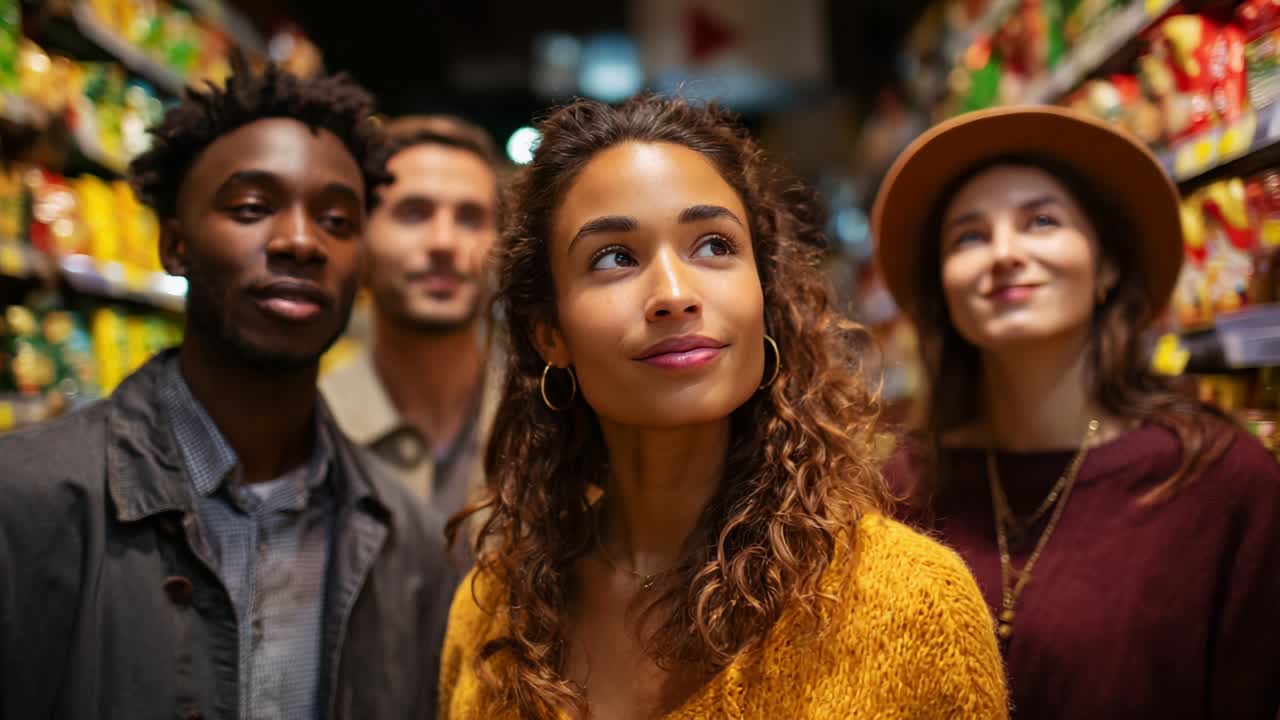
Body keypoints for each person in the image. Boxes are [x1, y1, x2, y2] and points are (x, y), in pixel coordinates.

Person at [439, 94, 1008, 719]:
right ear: (550, 332)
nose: (675, 295)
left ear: (763, 295)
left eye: (713, 246)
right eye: (614, 257)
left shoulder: (911, 605)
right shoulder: (492, 610)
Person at [0, 59, 455, 719]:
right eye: (251, 207)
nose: (301, 241)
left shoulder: (409, 545)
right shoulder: (24, 504)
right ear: (175, 246)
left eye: (337, 220)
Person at [872, 106, 1280, 718]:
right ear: (944, 288)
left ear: (1107, 268)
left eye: (1041, 221)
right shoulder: (901, 490)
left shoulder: (1217, 480)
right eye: (969, 236)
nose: (1004, 254)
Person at [321, 115, 503, 542]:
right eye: (413, 213)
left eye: (471, 218)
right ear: (361, 233)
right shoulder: (309, 431)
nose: (444, 241)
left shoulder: (555, 428)